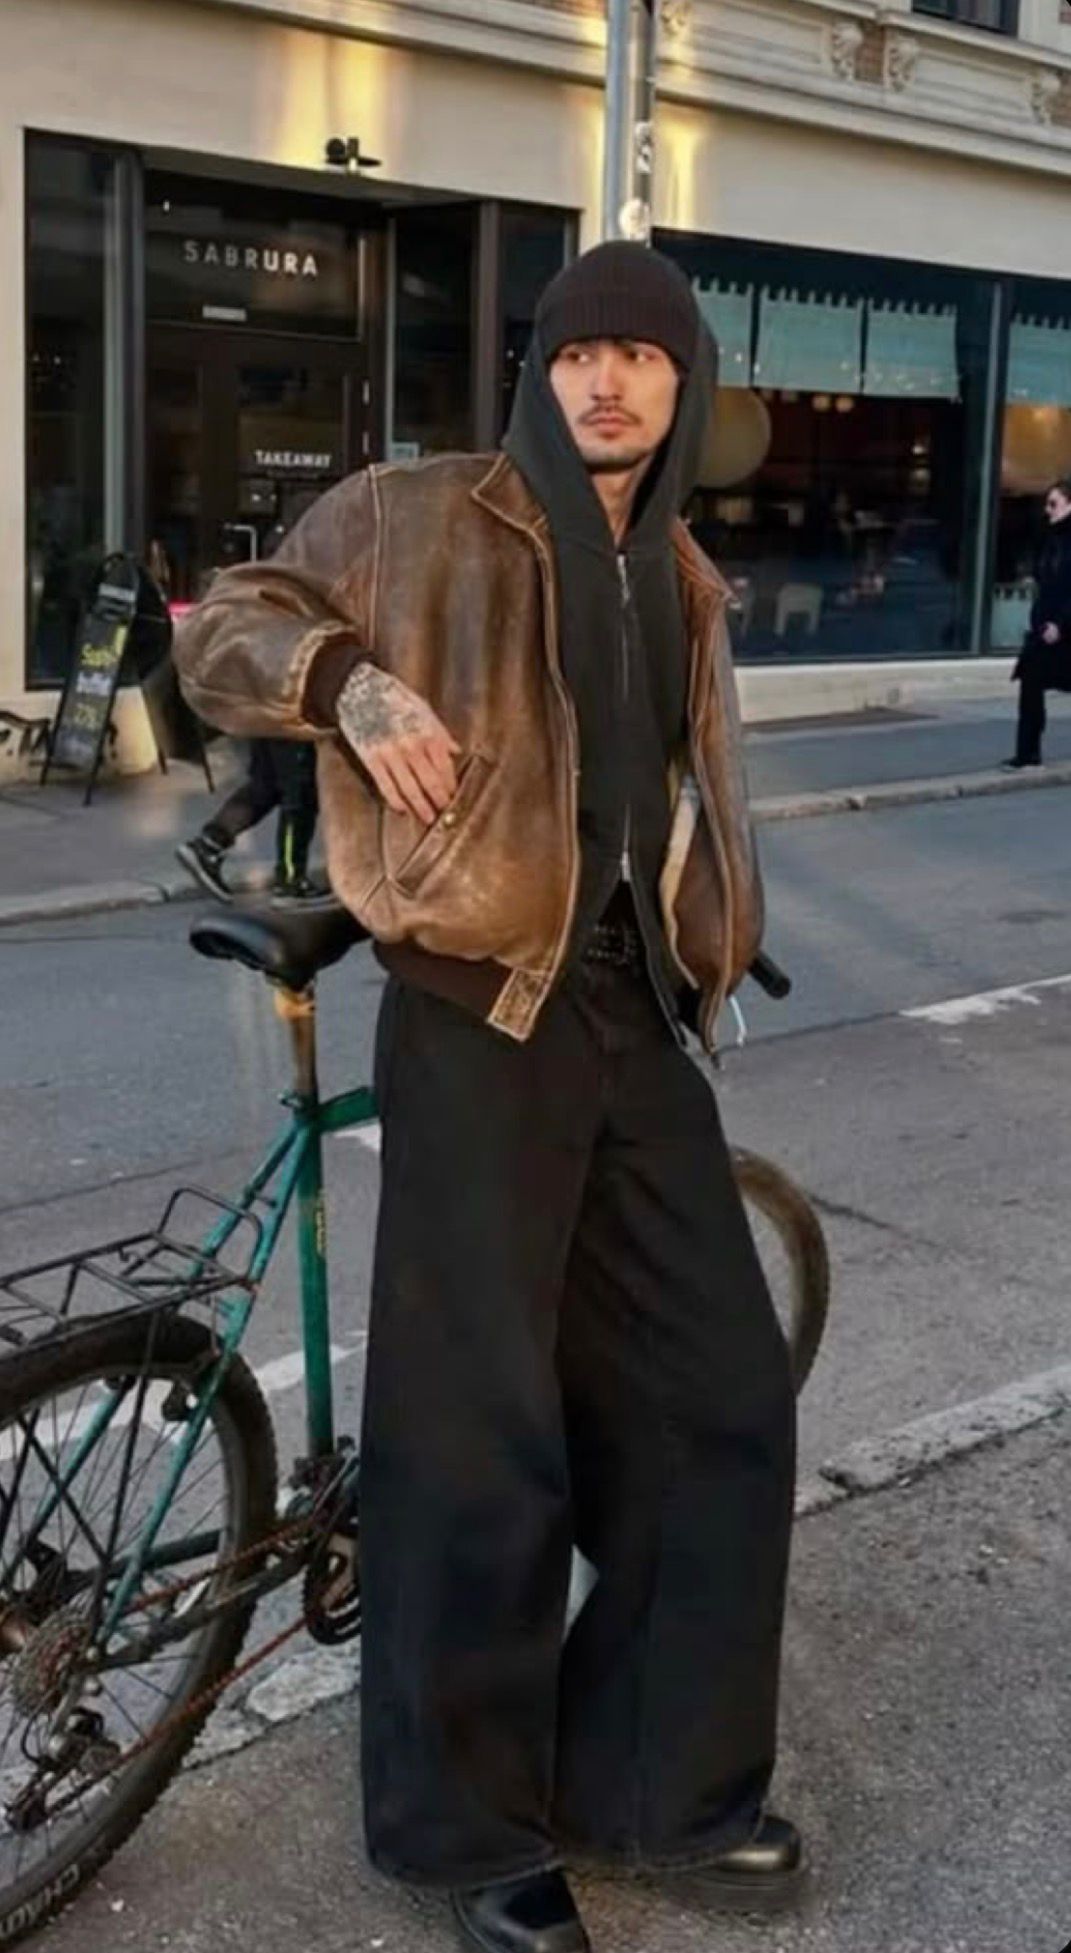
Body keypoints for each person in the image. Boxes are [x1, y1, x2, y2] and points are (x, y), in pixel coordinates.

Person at [174, 242, 801, 1953]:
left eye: (641, 358)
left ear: (682, 386)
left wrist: (715, 930)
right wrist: (346, 681)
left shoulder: (682, 576)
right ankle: (464, 1832)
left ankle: (652, 1784)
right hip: (475, 1011)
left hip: (632, 1013)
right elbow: (227, 628)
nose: (607, 380)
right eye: (580, 352)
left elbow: (669, 797)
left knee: (721, 1404)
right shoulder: (417, 513)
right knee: (480, 1443)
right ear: (541, 370)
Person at [176, 737, 320, 903]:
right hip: (291, 729)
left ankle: (209, 844)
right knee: (299, 794)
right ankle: (291, 879)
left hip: (267, 725)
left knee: (266, 785)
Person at [1005, 476, 1071, 769]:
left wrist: (1062, 624)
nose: (1048, 509)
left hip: (1064, 628)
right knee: (1031, 678)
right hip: (1046, 629)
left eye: (1053, 504)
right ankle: (1028, 753)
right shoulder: (1050, 538)